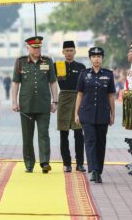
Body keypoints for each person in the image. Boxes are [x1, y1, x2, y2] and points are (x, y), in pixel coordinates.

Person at [12, 36, 58, 174]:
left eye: (39, 47)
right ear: (28, 48)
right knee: (27, 136)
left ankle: (44, 162)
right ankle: (29, 164)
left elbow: (53, 82)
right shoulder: (20, 62)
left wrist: (55, 101)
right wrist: (14, 101)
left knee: (44, 134)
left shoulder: (48, 62)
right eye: (34, 47)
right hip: (26, 105)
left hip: (43, 105)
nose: (37, 50)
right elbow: (15, 83)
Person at [75, 47, 116, 183]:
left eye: (98, 56)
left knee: (100, 143)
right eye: (93, 56)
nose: (96, 59)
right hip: (87, 114)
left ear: (102, 58)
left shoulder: (108, 74)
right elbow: (80, 94)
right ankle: (93, 170)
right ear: (90, 58)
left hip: (103, 114)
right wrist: (76, 113)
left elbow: (111, 96)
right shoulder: (84, 74)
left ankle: (99, 170)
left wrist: (112, 114)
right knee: (90, 141)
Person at [54, 41, 86, 173]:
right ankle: (66, 163)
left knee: (79, 133)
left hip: (78, 98)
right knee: (63, 132)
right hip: (64, 98)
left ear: (75, 51)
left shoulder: (81, 66)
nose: (69, 53)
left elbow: (85, 85)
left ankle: (79, 163)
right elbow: (49, 79)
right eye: (66, 50)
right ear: (63, 52)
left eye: (71, 50)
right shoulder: (57, 65)